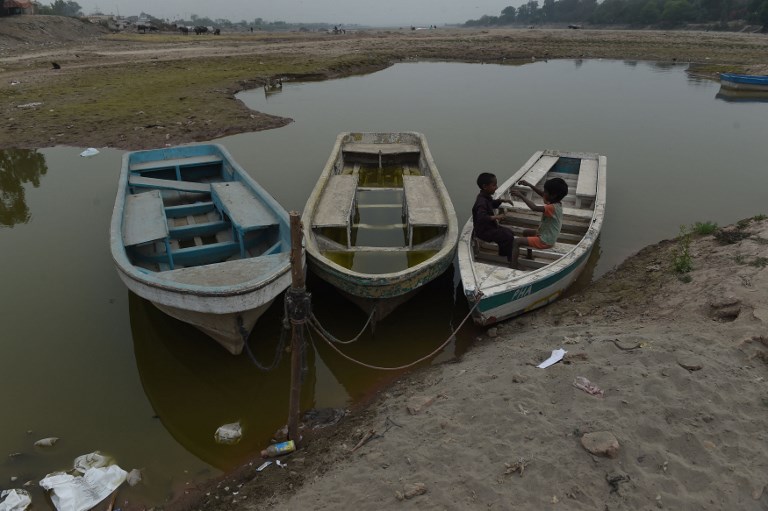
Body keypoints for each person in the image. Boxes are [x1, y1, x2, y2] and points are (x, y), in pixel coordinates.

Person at [509, 177, 569, 269]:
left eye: (546, 192)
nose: (543, 193)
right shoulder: (557, 202)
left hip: (545, 240)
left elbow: (534, 208)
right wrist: (529, 185)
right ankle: (529, 256)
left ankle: (513, 264)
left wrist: (521, 196)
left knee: (516, 241)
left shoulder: (551, 207)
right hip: (546, 234)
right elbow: (542, 194)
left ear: (553, 195)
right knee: (526, 232)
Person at [472, 172, 515, 262]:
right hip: (484, 231)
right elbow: (482, 217)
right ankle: (508, 258)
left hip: (490, 227)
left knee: (510, 232)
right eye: (494, 185)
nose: (497, 187)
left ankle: (503, 253)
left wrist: (502, 200)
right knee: (507, 236)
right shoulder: (481, 202)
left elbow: (492, 204)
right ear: (485, 186)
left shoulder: (486, 197)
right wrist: (497, 217)